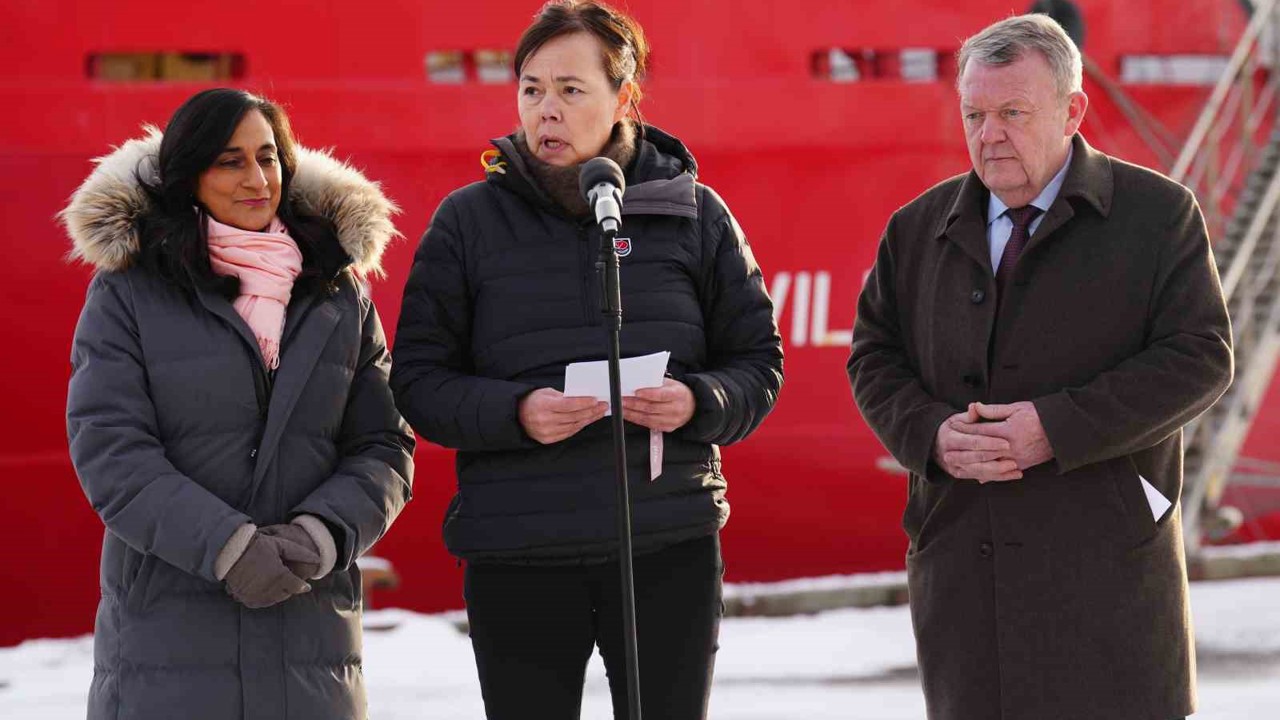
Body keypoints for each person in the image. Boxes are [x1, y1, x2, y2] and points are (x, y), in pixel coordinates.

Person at [390, 2, 783, 717]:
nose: (546, 109)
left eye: (570, 89)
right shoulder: (466, 223)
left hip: (666, 547)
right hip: (518, 554)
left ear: (623, 96)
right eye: (532, 88)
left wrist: (700, 402)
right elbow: (416, 380)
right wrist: (516, 413)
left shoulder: (695, 214)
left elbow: (758, 362)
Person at [847, 14, 1232, 720]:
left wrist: (1055, 427)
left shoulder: (1157, 216)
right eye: (975, 113)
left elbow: (1201, 356)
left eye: (1012, 113)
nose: (988, 134)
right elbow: (874, 354)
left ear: (1072, 109)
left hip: (1105, 572)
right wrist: (930, 435)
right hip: (967, 572)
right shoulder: (915, 229)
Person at [61, 88, 415, 720]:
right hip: (167, 641)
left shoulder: (338, 291)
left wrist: (321, 536)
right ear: (189, 175)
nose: (258, 179)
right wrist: (228, 547)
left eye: (270, 157)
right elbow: (111, 450)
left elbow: (385, 445)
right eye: (230, 161)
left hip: (309, 644)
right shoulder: (129, 292)